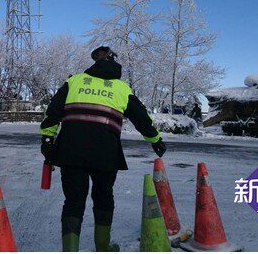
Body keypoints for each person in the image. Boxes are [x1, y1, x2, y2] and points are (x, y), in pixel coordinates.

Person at [40, 46, 166, 252]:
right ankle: (103, 246)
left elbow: (53, 111)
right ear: (114, 63)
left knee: (73, 201)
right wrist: (155, 140)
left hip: (71, 151)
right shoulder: (121, 88)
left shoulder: (75, 81)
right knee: (104, 196)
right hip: (106, 154)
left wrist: (47, 139)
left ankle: (70, 250)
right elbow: (141, 118)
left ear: (95, 63)